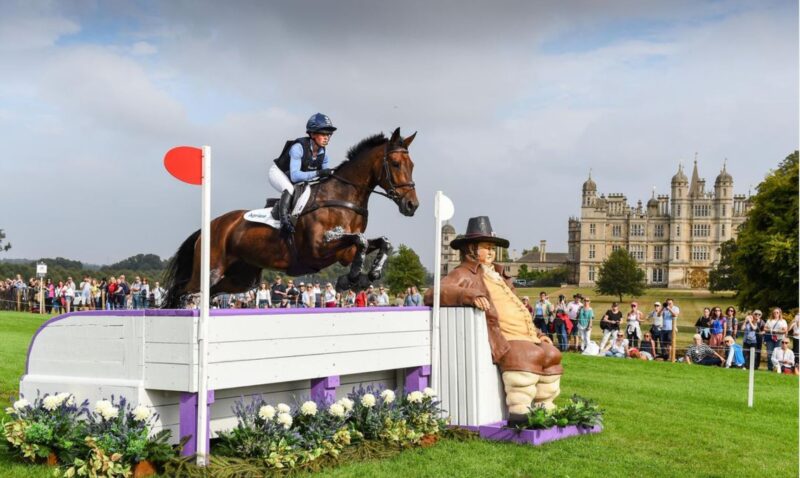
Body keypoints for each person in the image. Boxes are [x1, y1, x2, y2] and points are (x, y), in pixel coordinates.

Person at [423, 216, 562, 425]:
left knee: (552, 353)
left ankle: (544, 406)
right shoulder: (463, 273)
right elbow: (434, 293)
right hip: (505, 338)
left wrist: (540, 334)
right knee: (528, 354)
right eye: (486, 247)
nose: (491, 252)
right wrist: (468, 295)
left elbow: (517, 309)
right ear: (471, 248)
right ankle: (520, 411)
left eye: (492, 248)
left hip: (526, 335)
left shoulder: (499, 275)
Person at [268, 113, 337, 234]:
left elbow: (324, 179)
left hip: (294, 176)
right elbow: (295, 177)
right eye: (323, 134)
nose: (327, 137)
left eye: (328, 134)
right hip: (278, 173)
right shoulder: (298, 147)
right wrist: (319, 172)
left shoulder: (323, 155)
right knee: (289, 188)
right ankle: (284, 223)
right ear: (313, 134)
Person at [764, 308, 788, 372]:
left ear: (780, 313)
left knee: (777, 354)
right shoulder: (769, 320)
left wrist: (777, 331)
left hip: (779, 339)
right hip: (770, 339)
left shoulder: (783, 321)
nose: (775, 314)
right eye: (774, 312)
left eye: (777, 312)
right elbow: (765, 329)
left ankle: (777, 369)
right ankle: (770, 368)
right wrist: (771, 330)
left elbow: (785, 330)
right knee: (769, 354)